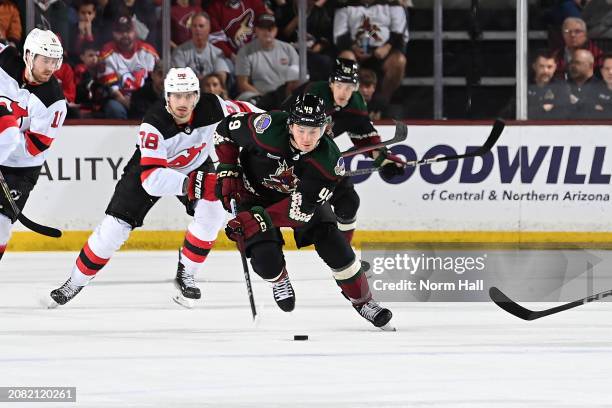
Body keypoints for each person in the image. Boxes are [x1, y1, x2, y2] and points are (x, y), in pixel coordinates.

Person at [48, 67, 259, 308]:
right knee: (114, 228)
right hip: (150, 170)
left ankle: (187, 273)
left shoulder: (213, 106)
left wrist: (278, 122)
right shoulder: (154, 124)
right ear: (167, 96)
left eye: (189, 95)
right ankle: (75, 281)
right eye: (177, 96)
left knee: (213, 211)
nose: (183, 102)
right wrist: (196, 184)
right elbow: (153, 180)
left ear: (197, 96)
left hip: (195, 165)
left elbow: (248, 113)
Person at [214, 93, 394, 329]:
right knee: (265, 262)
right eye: (301, 129)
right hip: (253, 196)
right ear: (290, 125)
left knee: (335, 245)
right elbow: (225, 129)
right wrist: (228, 168)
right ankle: (279, 278)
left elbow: (299, 211)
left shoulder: (329, 163)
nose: (307, 138)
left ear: (325, 128)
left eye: (314, 131)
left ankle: (363, 301)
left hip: (297, 202)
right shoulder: (266, 128)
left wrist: (256, 221)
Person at [282, 58, 405, 244]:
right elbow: (285, 128)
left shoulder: (355, 102)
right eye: (340, 85)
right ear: (331, 82)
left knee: (349, 201)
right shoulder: (314, 95)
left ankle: (345, 252)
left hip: (319, 156)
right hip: (286, 158)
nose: (344, 92)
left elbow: (366, 137)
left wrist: (384, 160)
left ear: (356, 87)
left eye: (349, 87)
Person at [0, 28, 67, 261]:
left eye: (54, 62)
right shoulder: (5, 59)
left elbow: (34, 148)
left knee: (0, 225)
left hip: (20, 169)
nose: (50, 68)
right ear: (28, 56)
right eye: (45, 60)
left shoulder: (53, 101)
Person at [333, 0, 408, 107]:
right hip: (356, 51)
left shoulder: (392, 4)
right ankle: (350, 103)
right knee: (346, 58)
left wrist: (387, 47)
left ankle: (382, 103)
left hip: (385, 51)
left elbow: (400, 33)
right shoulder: (346, 5)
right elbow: (339, 35)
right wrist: (353, 48)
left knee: (399, 61)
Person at [99, 14, 159, 119]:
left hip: (144, 100)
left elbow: (156, 82)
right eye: (120, 32)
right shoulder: (107, 52)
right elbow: (110, 88)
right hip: (120, 100)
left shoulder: (148, 52)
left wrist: (138, 103)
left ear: (134, 32)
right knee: (114, 109)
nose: (125, 35)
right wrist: (127, 103)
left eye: (128, 31)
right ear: (113, 33)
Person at [235, 13, 300, 110]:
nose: (267, 31)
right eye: (263, 28)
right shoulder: (245, 51)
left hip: (285, 97)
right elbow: (243, 84)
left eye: (271, 28)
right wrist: (265, 99)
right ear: (256, 30)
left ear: (276, 30)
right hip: (259, 99)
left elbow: (296, 79)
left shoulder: (288, 49)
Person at [171, 11, 229, 84]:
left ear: (209, 28)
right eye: (194, 26)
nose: (197, 29)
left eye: (201, 26)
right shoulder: (180, 51)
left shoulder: (217, 52)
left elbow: (221, 78)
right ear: (191, 29)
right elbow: (179, 78)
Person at [528, 49, 570, 119]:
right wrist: (542, 109)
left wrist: (535, 109)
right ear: (534, 66)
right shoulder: (524, 85)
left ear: (555, 67)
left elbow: (565, 113)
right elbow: (515, 112)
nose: (545, 71)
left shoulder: (561, 87)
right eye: (541, 66)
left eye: (549, 67)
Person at [566, 48, 600, 118]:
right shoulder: (562, 87)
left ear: (590, 65)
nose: (573, 66)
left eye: (577, 63)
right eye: (571, 62)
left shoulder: (602, 87)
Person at [594, 53, 612, 117]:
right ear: (602, 71)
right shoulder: (593, 89)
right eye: (607, 69)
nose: (610, 72)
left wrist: (604, 110)